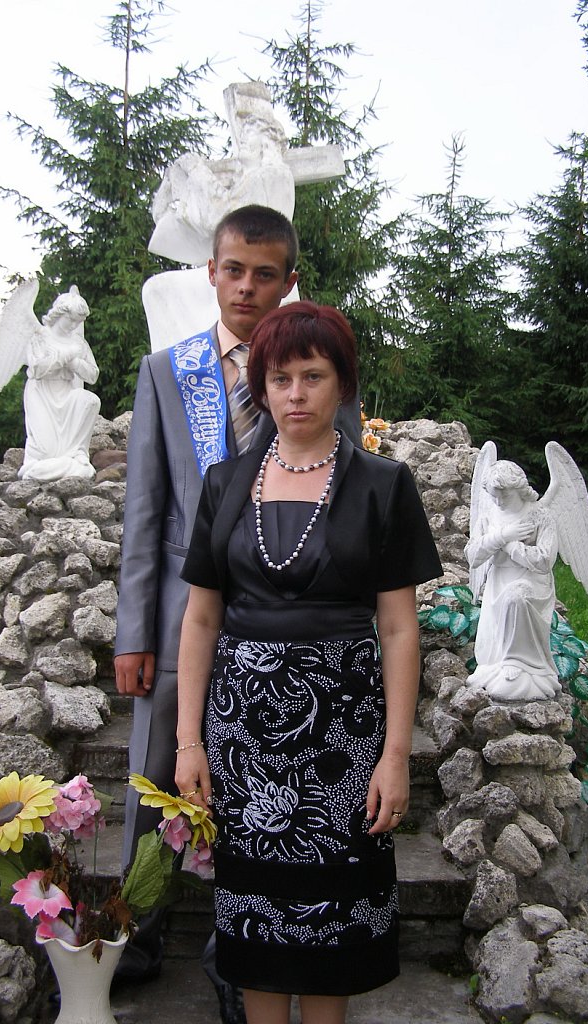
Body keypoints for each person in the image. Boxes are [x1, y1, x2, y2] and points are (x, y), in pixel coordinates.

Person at [114, 207, 362, 1005]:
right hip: (178, 619)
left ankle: (240, 952)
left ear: (290, 281)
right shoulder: (167, 372)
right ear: (211, 273)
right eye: (233, 270)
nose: (247, 287)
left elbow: (345, 495)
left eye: (265, 274)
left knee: (263, 790)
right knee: (156, 776)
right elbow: (146, 511)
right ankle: (134, 933)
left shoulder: (316, 374)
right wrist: (131, 630)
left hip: (280, 627)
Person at [175, 301, 442, 1024]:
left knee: (335, 928)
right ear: (260, 387)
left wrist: (395, 757)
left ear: (343, 384)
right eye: (280, 378)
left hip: (343, 743)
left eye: (313, 376)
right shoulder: (225, 484)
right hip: (243, 743)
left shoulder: (384, 485)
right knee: (256, 922)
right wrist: (189, 743)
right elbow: (200, 620)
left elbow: (399, 631)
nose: (296, 394)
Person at [465, 458, 560, 700]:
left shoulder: (540, 515)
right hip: (498, 580)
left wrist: (511, 547)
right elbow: (473, 556)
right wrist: (501, 536)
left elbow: (544, 561)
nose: (498, 502)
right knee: (492, 648)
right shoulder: (489, 515)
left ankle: (519, 662)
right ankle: (498, 665)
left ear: (518, 489)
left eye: (504, 496)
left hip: (531, 582)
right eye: (494, 496)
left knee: (516, 597)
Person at [19, 285, 100, 481]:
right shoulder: (40, 337)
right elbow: (37, 369)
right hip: (42, 392)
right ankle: (39, 466)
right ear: (59, 314)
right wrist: (65, 356)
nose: (73, 325)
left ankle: (76, 453)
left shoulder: (79, 343)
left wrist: (75, 363)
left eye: (78, 321)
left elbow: (92, 375)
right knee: (46, 452)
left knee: (90, 400)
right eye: (70, 319)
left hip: (67, 390)